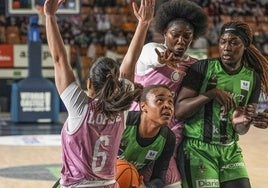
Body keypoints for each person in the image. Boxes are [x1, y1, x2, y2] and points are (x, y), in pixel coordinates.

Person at [44, 0, 141, 187]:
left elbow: (58, 59)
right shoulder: (121, 109)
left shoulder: (80, 107)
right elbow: (130, 64)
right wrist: (143, 23)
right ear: (117, 85)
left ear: (89, 83)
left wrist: (49, 16)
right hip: (110, 183)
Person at [119, 0, 208, 186]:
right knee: (122, 175)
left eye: (187, 36)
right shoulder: (150, 51)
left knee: (170, 182)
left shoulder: (195, 65)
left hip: (169, 136)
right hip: (135, 127)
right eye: (175, 35)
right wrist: (161, 58)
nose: (181, 41)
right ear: (165, 34)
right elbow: (153, 55)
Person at [175, 20, 268, 188]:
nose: (226, 47)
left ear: (245, 45)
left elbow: (241, 129)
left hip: (229, 150)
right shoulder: (202, 68)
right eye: (223, 41)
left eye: (234, 43)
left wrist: (243, 122)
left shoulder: (252, 78)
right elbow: (179, 110)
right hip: (198, 150)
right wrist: (211, 94)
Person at [118, 84, 176, 188]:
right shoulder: (123, 122)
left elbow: (159, 178)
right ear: (143, 106)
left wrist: (147, 187)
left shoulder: (168, 138)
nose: (167, 105)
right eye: (160, 100)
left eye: (170, 101)